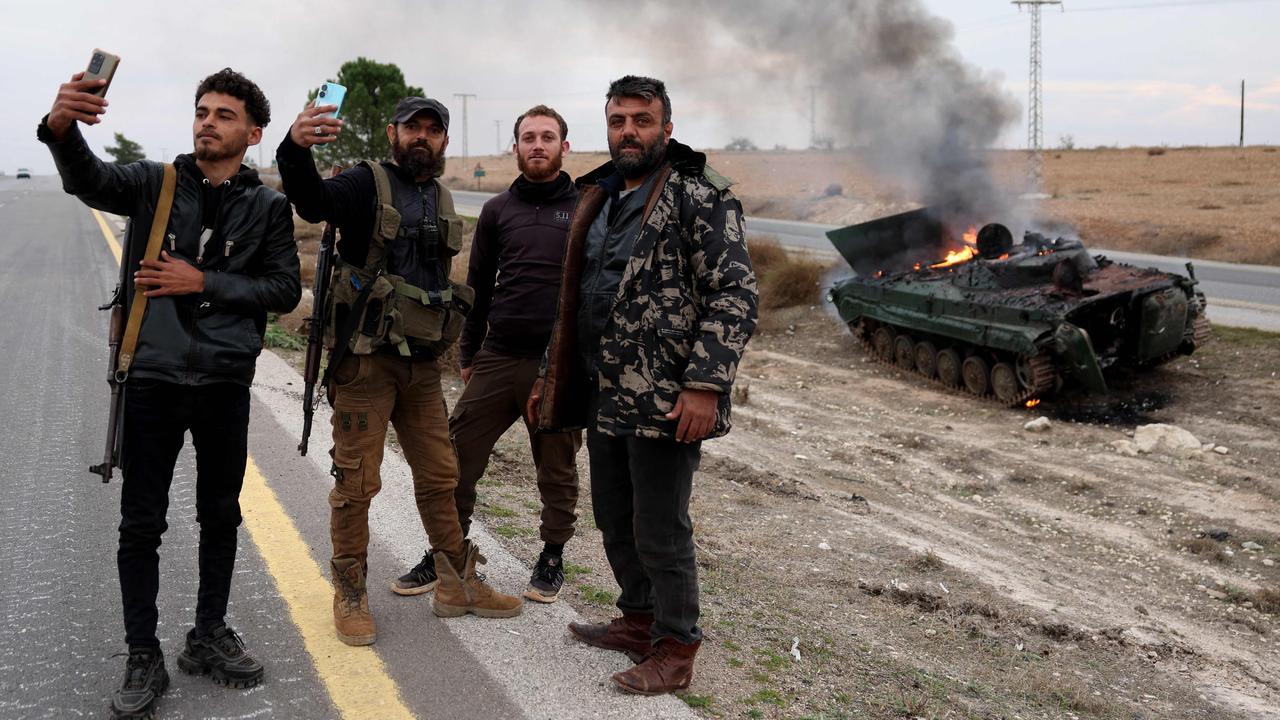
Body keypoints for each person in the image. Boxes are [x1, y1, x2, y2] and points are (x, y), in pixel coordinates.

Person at [40, 68, 301, 719]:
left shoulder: (268, 208)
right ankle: (142, 654)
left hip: (224, 384)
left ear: (252, 132)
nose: (207, 121)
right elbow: (87, 179)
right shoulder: (154, 184)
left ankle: (207, 634)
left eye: (223, 114)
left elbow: (284, 290)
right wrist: (60, 128)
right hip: (152, 379)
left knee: (220, 514)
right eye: (202, 111)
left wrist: (201, 281)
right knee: (141, 523)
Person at [528, 76, 757, 695]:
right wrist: (552, 374)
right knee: (614, 515)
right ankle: (638, 618)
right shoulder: (598, 196)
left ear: (667, 128)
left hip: (666, 395)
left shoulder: (697, 195)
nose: (629, 131)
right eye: (619, 120)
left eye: (642, 120)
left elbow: (734, 293)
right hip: (602, 388)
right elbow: (573, 297)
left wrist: (705, 385)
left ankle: (677, 647)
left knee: (661, 525)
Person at [276, 95, 522, 647]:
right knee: (357, 484)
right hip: (365, 366)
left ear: (443, 141)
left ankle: (458, 583)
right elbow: (312, 202)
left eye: (434, 131)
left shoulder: (439, 194)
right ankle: (350, 591)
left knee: (441, 475)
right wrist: (295, 148)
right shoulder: (366, 184)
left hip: (422, 369)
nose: (423, 138)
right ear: (393, 132)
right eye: (414, 128)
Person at [392, 105, 582, 604]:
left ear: (565, 146)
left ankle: (552, 555)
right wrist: (470, 353)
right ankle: (446, 555)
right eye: (528, 137)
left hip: (557, 365)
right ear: (514, 148)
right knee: (454, 461)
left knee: (556, 467)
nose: (537, 145)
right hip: (498, 357)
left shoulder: (587, 206)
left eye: (547, 137)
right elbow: (477, 287)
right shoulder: (498, 209)